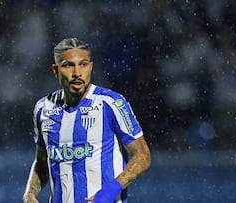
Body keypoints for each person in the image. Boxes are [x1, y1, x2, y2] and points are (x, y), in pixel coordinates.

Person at [23, 38, 151, 203]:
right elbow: (42, 163)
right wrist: (29, 195)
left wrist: (111, 191)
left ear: (90, 66)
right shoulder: (43, 108)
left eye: (83, 64)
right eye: (69, 65)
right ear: (56, 70)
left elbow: (142, 155)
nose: (77, 73)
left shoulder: (111, 103)